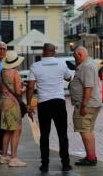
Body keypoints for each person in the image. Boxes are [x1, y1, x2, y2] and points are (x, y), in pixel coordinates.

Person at [26, 43, 73, 172]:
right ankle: (65, 164)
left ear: (43, 51)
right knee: (62, 134)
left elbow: (30, 87)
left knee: (44, 135)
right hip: (59, 102)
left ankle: (45, 164)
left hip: (44, 104)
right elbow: (69, 78)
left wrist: (29, 105)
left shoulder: (35, 66)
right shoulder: (62, 64)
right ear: (54, 51)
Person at [69, 46, 102, 166]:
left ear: (80, 54)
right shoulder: (89, 63)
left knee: (85, 131)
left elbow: (88, 87)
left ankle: (91, 158)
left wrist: (84, 105)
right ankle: (91, 156)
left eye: (75, 58)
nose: (75, 60)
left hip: (87, 105)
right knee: (88, 130)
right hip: (92, 103)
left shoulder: (86, 66)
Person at [0, 51, 26, 167]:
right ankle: (14, 158)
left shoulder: (2, 72)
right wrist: (24, 88)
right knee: (16, 130)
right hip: (12, 103)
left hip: (3, 102)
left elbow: (0, 89)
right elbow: (18, 92)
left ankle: (4, 157)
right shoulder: (15, 73)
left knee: (7, 130)